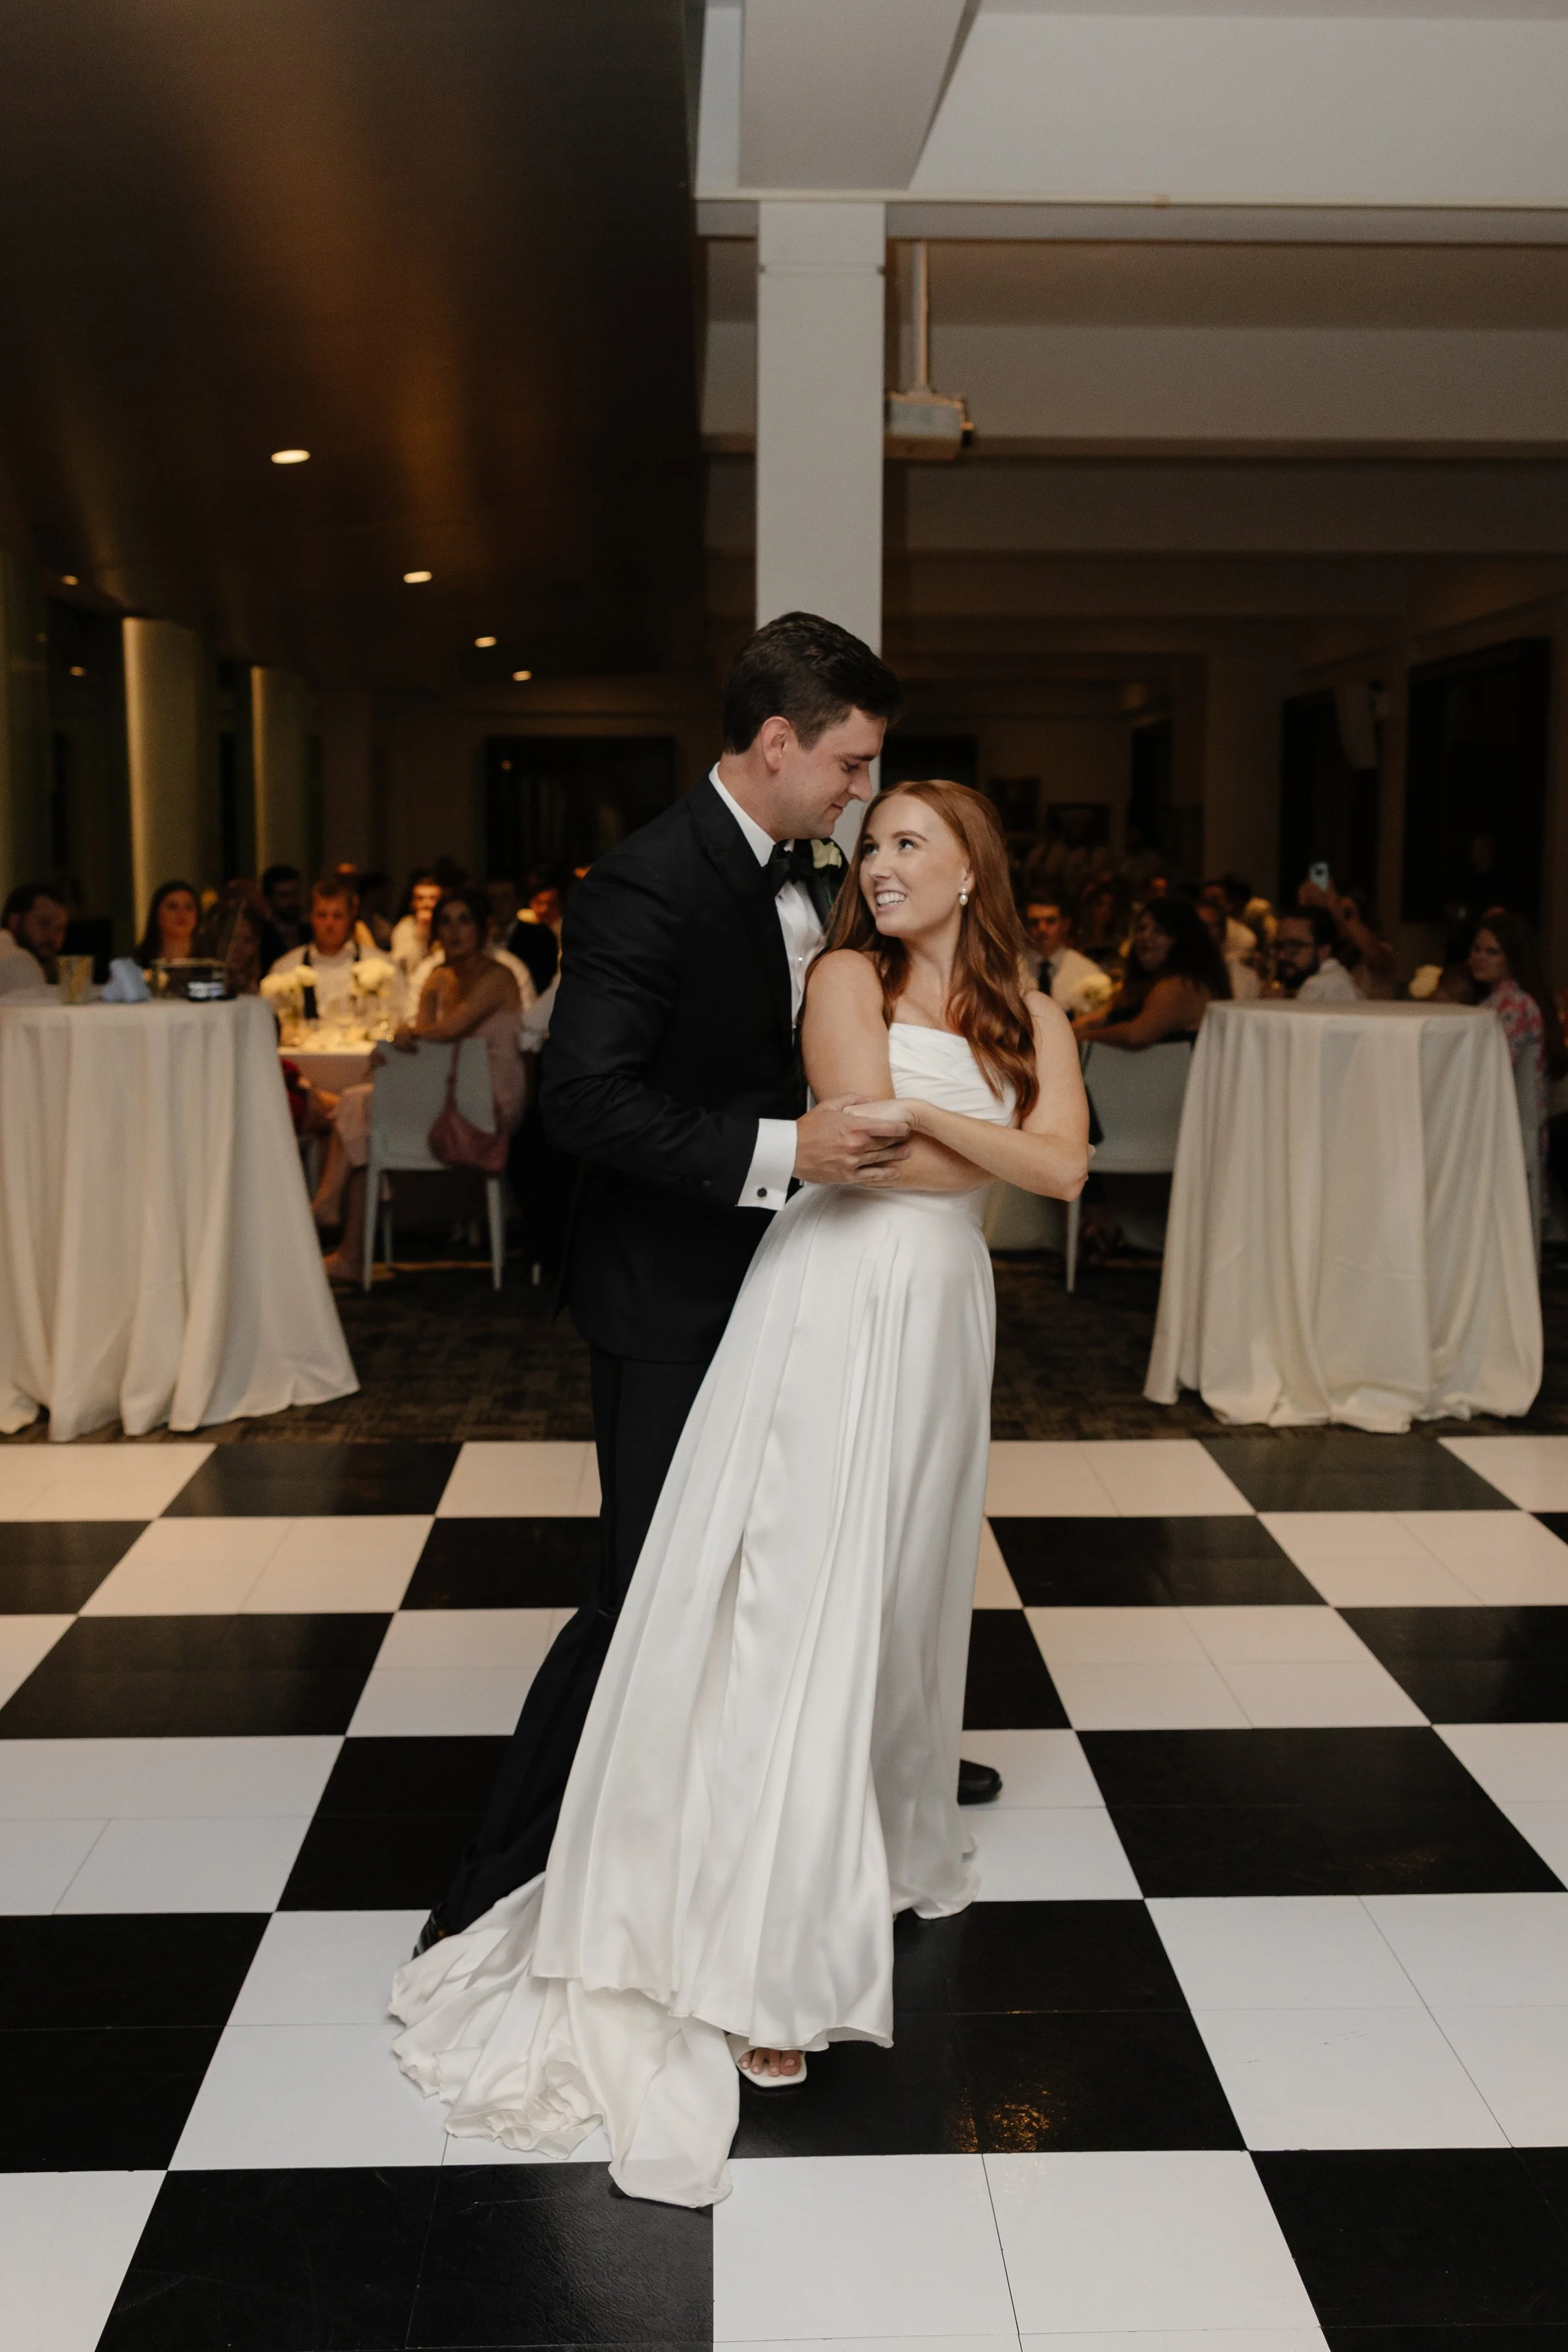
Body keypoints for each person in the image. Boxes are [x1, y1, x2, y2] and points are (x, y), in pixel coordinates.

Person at [389, 766, 1088, 2206]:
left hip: (944, 1311)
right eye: (870, 840)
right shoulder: (844, 976)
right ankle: (770, 1943)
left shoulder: (1034, 1011)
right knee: (795, 1597)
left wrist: (945, 1128)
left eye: (909, 841)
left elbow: (1068, 1172)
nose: (877, 860)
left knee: (900, 1581)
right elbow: (863, 1150)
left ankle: (874, 1830)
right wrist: (985, 1143)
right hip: (833, 1297)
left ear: (972, 868)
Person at [413, 614, 1005, 1964]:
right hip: (672, 1289)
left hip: (807, 1277)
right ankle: (501, 1873)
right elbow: (584, 1102)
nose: (861, 792)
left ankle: (861, 1771)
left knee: (807, 1546)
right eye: (849, 764)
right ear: (778, 742)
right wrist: (784, 1152)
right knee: (649, 1579)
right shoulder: (645, 882)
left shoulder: (819, 871)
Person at [313, 888, 525, 1285]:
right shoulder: (440, 975)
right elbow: (426, 1043)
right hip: (447, 1092)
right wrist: (419, 1015)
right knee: (365, 1116)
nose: (454, 931)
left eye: (464, 921)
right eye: (446, 921)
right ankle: (349, 1251)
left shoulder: (498, 977)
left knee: (362, 1103)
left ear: (482, 929)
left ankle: (328, 1208)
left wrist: (399, 1041)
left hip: (489, 1099)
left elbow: (448, 1032)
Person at [1470, 914, 1567, 1182]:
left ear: (1511, 958)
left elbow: (1493, 1070)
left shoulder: (1513, 1005)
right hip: (1514, 1123)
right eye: (1477, 949)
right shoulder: (1501, 1001)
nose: (1480, 957)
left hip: (1512, 1127)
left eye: (1492, 951)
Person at [1076, 894, 1229, 1049]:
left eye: (1159, 931)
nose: (1146, 936)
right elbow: (1098, 1019)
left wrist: (1084, 1037)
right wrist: (1074, 1029)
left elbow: (1136, 1035)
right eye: (1142, 929)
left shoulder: (1181, 986)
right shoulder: (1144, 984)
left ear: (1182, 940)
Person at [268, 875, 372, 1020]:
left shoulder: (379, 965)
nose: (330, 924)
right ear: (311, 917)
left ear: (351, 917)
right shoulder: (285, 968)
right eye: (322, 916)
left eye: (338, 916)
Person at [1022, 891, 1105, 1013]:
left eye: (1050, 921)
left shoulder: (1088, 972)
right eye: (1034, 922)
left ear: (1065, 924)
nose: (1042, 928)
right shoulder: (1013, 971)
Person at [1276, 906, 1359, 1001]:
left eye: (1293, 946)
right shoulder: (1337, 976)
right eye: (1279, 946)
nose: (1281, 956)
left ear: (1323, 950)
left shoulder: (1318, 985)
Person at [507, 864, 568, 995]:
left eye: (551, 904)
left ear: (561, 905)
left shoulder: (568, 929)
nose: (545, 909)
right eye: (539, 903)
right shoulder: (523, 924)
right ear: (531, 904)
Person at [0, 882, 70, 990]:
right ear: (15, 921)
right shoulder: (18, 960)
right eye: (44, 923)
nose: (53, 937)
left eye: (60, 928)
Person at [1197, 893, 1261, 1002]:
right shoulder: (1172, 979)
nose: (1196, 933)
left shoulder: (1245, 978)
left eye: (1205, 927)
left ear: (1223, 933)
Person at [134, 877, 200, 967]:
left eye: (189, 907)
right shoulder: (132, 967)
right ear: (157, 913)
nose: (182, 913)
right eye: (172, 907)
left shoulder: (212, 965)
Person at [391, 871, 442, 985]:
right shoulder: (405, 927)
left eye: (433, 898)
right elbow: (401, 967)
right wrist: (421, 932)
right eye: (420, 898)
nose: (426, 904)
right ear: (413, 903)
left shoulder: (448, 927)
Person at [257, 864, 305, 972]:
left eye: (296, 894)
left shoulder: (310, 933)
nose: (292, 901)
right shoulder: (260, 937)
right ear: (269, 899)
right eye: (284, 895)